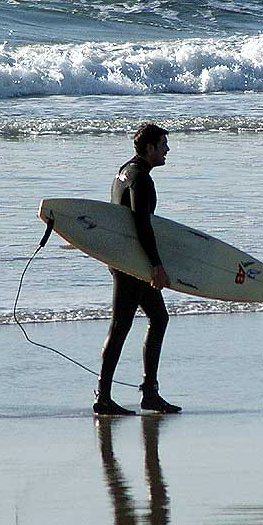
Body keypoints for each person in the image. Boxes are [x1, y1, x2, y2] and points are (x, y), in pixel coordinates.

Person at [93, 123, 182, 416]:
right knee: (121, 325)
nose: (167, 150)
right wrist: (156, 265)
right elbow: (141, 224)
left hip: (124, 259)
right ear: (150, 148)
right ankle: (104, 397)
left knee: (158, 318)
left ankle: (149, 394)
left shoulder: (124, 171)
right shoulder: (141, 179)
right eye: (163, 145)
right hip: (132, 263)